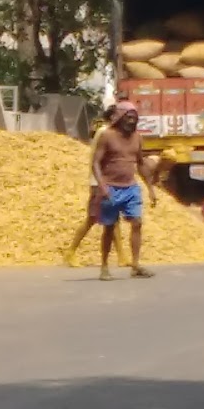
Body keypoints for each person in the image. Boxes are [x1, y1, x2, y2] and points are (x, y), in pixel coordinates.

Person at [91, 100, 158, 279]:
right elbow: (96, 162)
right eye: (128, 117)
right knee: (109, 228)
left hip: (131, 188)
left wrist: (150, 188)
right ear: (120, 117)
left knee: (137, 222)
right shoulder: (107, 136)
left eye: (134, 118)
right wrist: (102, 186)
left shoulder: (137, 138)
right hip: (110, 187)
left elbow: (141, 164)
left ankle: (135, 265)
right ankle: (104, 267)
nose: (131, 121)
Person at [64, 104, 121, 266]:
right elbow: (98, 160)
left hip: (107, 181)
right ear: (113, 117)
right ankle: (71, 252)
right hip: (99, 182)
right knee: (92, 218)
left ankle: (122, 256)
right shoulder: (104, 132)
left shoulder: (110, 132)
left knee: (114, 219)